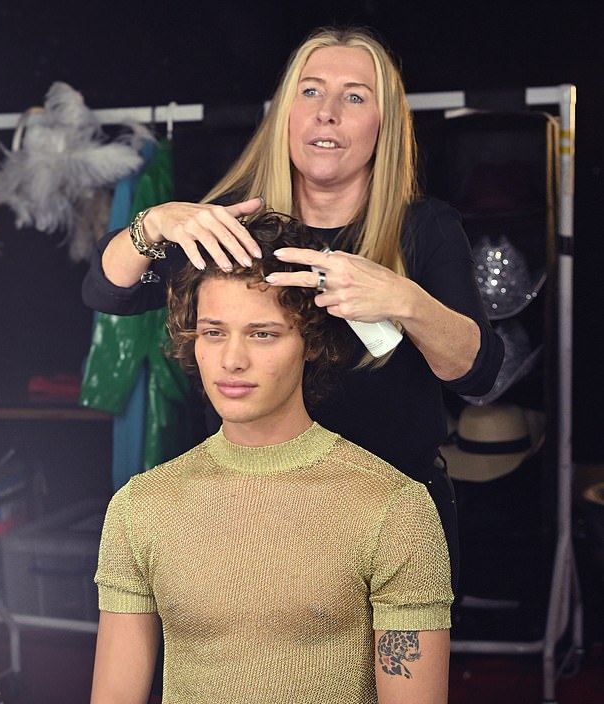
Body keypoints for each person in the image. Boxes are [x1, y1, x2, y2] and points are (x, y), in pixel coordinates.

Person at [82, 25, 505, 590]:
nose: (327, 112)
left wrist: (403, 299)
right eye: (310, 92)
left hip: (388, 521)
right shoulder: (236, 225)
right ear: (285, 114)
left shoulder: (423, 229)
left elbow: (476, 373)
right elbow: (107, 292)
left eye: (354, 96)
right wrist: (154, 223)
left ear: (384, 125)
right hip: (251, 509)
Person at [86, 212, 452, 704]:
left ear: (310, 342)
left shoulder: (395, 507)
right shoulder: (142, 505)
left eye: (263, 334)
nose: (232, 361)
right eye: (214, 333)